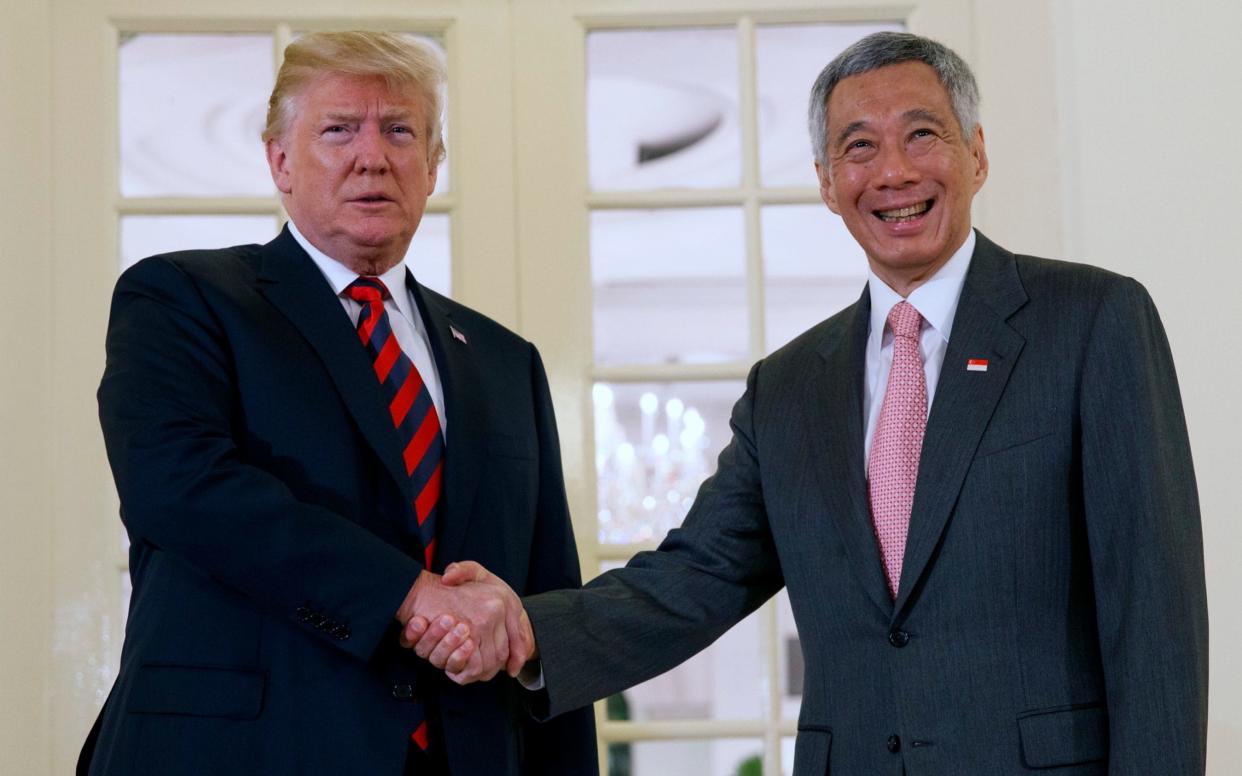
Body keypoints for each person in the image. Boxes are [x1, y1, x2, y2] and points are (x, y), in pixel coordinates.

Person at [411, 31, 1209, 775]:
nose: (892, 171)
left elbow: (1154, 619)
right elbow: (695, 579)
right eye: (858, 147)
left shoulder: (1093, 322)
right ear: (828, 184)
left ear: (977, 153)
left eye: (922, 135)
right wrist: (523, 627)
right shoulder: (788, 388)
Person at [79, 31, 596, 776]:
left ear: (432, 165)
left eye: (399, 131)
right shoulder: (181, 300)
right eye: (338, 129)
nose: (372, 156)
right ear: (280, 160)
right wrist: (409, 596)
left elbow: (545, 591)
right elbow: (180, 487)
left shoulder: (506, 361)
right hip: (242, 752)